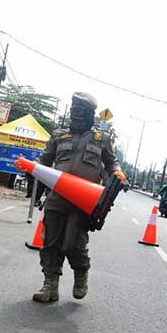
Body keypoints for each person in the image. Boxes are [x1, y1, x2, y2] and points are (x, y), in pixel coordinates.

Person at [33, 92, 124, 302]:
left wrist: (117, 172)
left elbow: (112, 162)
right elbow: (44, 161)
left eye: (80, 112)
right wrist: (31, 170)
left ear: (90, 114)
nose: (76, 115)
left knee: (72, 244)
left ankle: (81, 271)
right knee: (50, 243)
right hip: (57, 197)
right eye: (73, 110)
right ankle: (50, 286)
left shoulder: (101, 139)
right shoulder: (58, 135)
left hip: (84, 201)